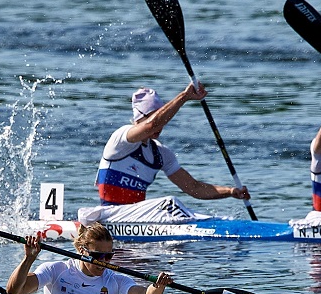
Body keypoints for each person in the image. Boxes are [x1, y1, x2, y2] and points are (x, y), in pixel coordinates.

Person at [6, 222, 172, 294]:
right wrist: (28, 259)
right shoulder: (56, 270)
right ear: (81, 250)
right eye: (98, 256)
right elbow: (14, 290)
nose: (104, 261)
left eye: (108, 256)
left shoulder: (116, 280)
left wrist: (157, 285)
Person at [95, 83, 250, 206]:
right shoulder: (121, 138)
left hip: (134, 219)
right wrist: (185, 96)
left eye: (162, 116)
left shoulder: (161, 154)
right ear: (138, 119)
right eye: (154, 116)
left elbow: (194, 188)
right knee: (169, 203)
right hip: (109, 214)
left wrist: (230, 191)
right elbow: (152, 125)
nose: (161, 125)